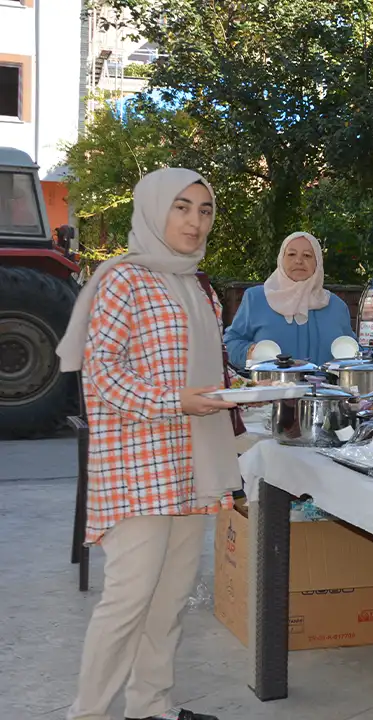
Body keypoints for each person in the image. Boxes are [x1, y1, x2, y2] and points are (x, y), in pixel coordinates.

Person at [57, 168, 238, 720]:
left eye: (204, 210)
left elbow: (204, 369)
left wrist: (240, 392)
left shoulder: (199, 286)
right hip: (138, 464)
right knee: (128, 602)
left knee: (169, 601)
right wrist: (175, 401)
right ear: (154, 210)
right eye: (181, 207)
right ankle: (87, 713)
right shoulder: (124, 280)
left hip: (192, 464)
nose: (194, 221)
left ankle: (151, 707)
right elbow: (102, 374)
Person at [223, 231, 355, 367]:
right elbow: (230, 343)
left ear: (318, 262)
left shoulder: (336, 306)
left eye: (307, 255)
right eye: (291, 254)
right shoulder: (256, 299)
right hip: (270, 381)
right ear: (281, 259)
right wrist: (249, 352)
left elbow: (355, 353)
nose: (299, 261)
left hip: (326, 381)